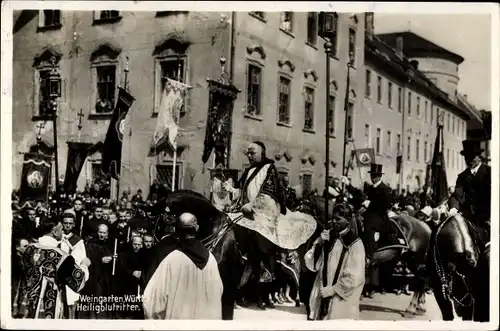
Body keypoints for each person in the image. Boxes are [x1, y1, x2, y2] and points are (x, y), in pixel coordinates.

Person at [142, 212, 223, 319]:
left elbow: (152, 301)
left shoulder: (171, 260)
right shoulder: (211, 260)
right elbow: (218, 292)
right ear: (197, 228)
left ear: (176, 230)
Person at [18, 218, 90, 319]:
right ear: (55, 232)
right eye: (61, 229)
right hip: (49, 303)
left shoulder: (29, 249)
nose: (63, 232)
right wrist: (84, 265)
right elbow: (77, 280)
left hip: (27, 301)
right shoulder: (60, 255)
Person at [304, 204, 365, 320]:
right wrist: (320, 243)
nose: (334, 222)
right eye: (333, 218)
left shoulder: (354, 243)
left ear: (347, 220)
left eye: (338, 219)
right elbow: (313, 264)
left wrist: (333, 290)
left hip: (341, 297)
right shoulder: (327, 236)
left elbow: (355, 275)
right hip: (322, 289)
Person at [448, 140, 491, 239]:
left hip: (487, 215)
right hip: (468, 216)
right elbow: (457, 195)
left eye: (471, 158)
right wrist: (454, 207)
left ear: (479, 157)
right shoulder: (462, 176)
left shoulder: (490, 173)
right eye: (466, 158)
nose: (468, 161)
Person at [358, 163, 395, 261]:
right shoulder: (370, 188)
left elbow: (384, 206)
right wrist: (348, 185)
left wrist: (369, 204)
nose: (372, 178)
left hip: (380, 217)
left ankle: (370, 253)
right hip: (370, 214)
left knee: (368, 226)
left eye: (375, 176)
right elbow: (360, 195)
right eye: (372, 175)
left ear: (379, 176)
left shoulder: (385, 189)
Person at [59, 211, 89, 318]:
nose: (67, 225)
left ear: (74, 224)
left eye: (70, 223)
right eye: (65, 223)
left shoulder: (78, 241)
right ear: (61, 223)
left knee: (71, 302)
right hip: (57, 276)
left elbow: (81, 259)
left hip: (70, 275)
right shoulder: (57, 237)